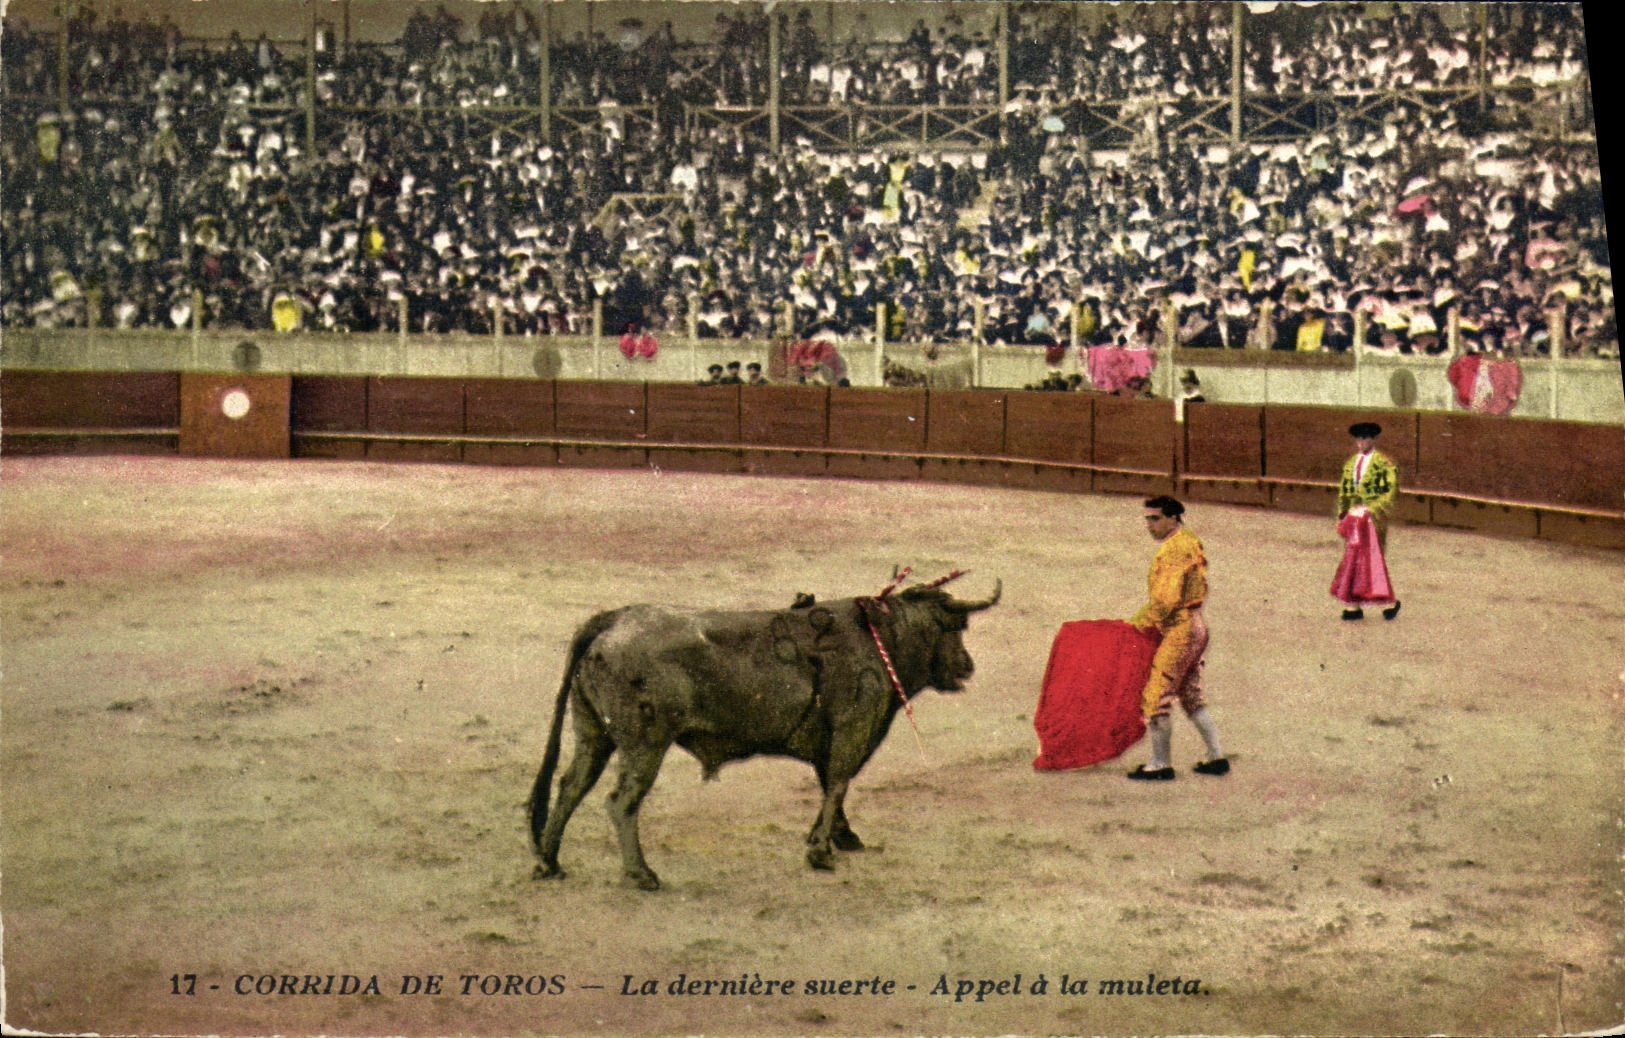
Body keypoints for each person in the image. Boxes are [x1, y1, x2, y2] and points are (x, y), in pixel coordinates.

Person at [1126, 496, 1229, 781]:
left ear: (1174, 518)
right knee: (1190, 694)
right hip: (1195, 625)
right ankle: (1216, 757)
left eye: (1155, 519)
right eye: (1146, 519)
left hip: (1181, 629)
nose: (1149, 525)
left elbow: (1166, 601)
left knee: (1156, 694)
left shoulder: (1175, 549)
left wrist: (1138, 624)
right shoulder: (1188, 540)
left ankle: (1161, 764)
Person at [1335, 422, 1401, 621]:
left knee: (1372, 561)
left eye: (1365, 438)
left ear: (1373, 439)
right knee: (1354, 562)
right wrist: (1343, 515)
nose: (1361, 442)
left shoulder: (1386, 463)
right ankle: (1353, 606)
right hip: (1355, 519)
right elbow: (1344, 492)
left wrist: (1370, 510)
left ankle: (1389, 603)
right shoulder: (1350, 464)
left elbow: (1390, 493)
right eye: (1358, 438)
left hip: (1372, 519)